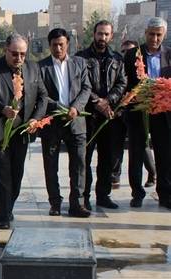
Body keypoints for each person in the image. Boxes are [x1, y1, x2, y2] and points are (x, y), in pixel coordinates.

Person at [0, 33, 48, 229]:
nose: (19, 58)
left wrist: (35, 118)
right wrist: (3, 109)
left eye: (23, 54)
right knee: (2, 174)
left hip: (23, 131)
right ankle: (3, 215)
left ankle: (8, 207)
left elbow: (43, 96)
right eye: (14, 54)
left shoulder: (33, 68)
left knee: (17, 174)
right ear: (5, 50)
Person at [38, 28, 92, 217]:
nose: (58, 48)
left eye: (61, 44)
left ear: (68, 44)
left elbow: (86, 88)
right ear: (49, 45)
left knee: (79, 164)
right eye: (54, 45)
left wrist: (76, 107)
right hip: (52, 123)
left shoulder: (79, 63)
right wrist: (60, 108)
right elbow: (41, 95)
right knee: (50, 165)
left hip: (76, 122)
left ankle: (77, 203)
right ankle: (55, 203)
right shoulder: (41, 67)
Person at [75, 21, 126, 211]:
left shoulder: (117, 59)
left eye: (106, 34)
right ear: (94, 34)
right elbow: (80, 84)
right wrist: (97, 102)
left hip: (109, 116)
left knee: (107, 158)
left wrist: (108, 101)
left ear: (111, 36)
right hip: (88, 115)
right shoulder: (81, 58)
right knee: (84, 158)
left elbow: (122, 83)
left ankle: (103, 195)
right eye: (99, 33)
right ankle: (84, 197)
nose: (102, 37)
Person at [123, 17, 171, 209]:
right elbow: (126, 82)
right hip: (138, 111)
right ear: (145, 33)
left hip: (162, 112)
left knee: (164, 154)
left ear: (164, 35)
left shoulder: (169, 54)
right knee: (136, 153)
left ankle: (165, 194)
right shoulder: (132, 54)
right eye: (151, 34)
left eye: (159, 35)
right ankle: (137, 193)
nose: (155, 38)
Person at [112, 40, 156, 189]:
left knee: (142, 146)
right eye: (123, 51)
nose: (126, 54)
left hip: (139, 109)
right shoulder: (119, 65)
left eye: (129, 51)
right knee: (117, 145)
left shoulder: (141, 65)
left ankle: (152, 172)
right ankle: (115, 176)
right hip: (121, 111)